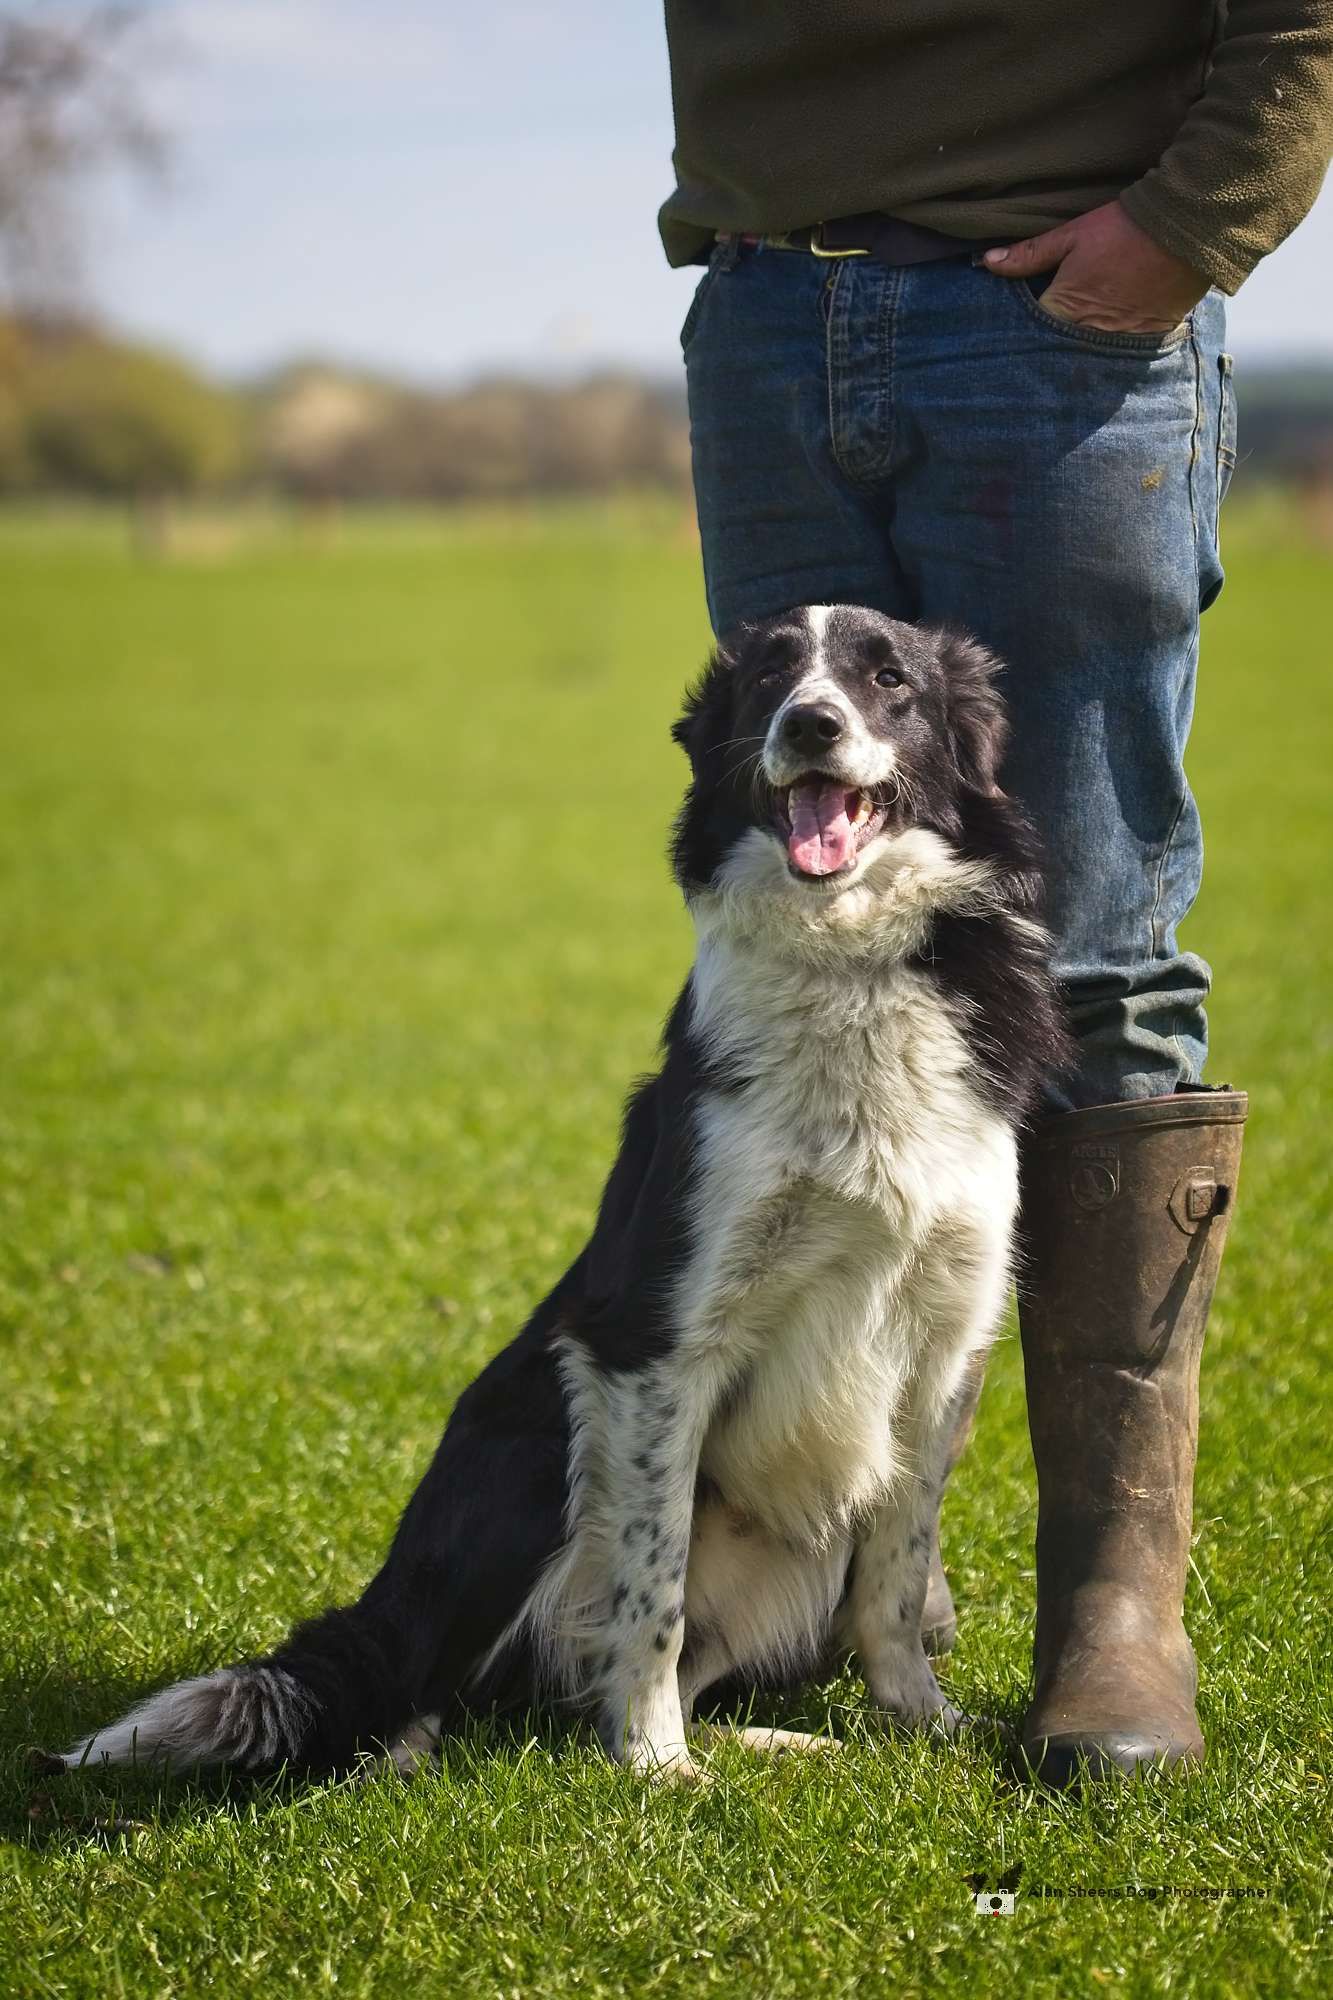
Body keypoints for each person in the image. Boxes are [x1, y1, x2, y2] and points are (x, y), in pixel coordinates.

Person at [659, 3, 1332, 1782]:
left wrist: (1191, 226)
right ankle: (837, 1576)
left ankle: (1112, 1616)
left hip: (1053, 329)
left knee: (1091, 964)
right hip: (763, 317)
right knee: (808, 936)